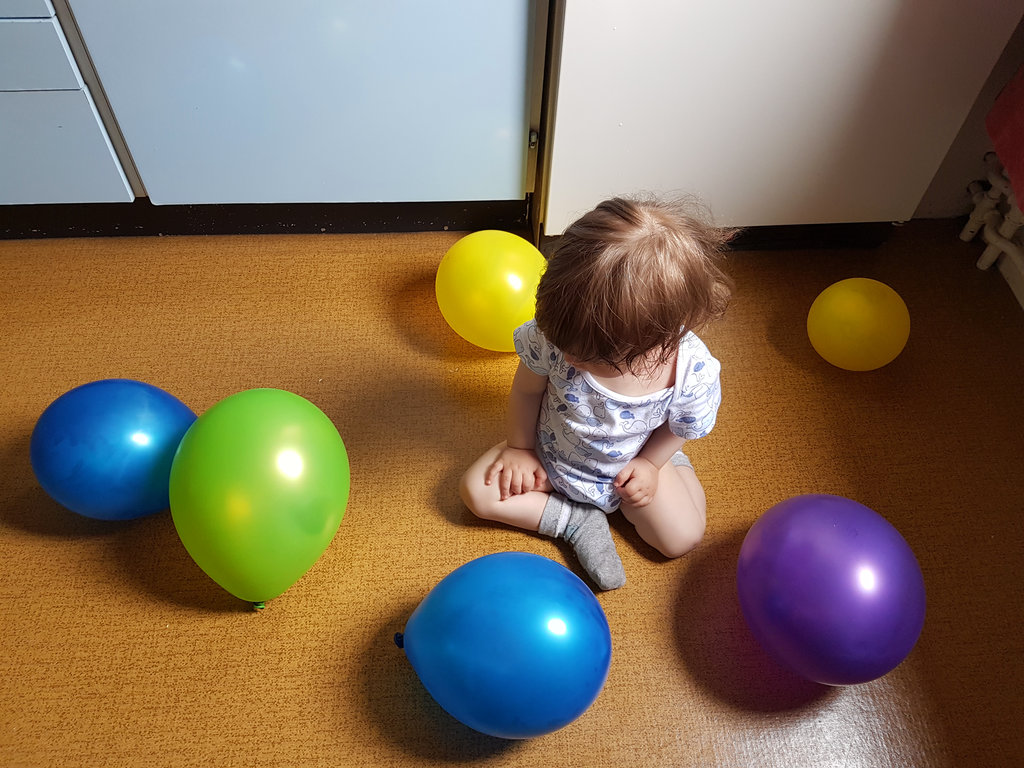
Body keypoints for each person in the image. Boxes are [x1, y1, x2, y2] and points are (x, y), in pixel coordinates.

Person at [459, 195, 734, 590]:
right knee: (476, 492)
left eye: (588, 356)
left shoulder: (692, 373)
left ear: (656, 340)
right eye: (563, 344)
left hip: (631, 463)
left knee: (681, 538)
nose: (568, 355)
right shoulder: (560, 334)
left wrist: (653, 464)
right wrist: (520, 448)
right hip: (553, 454)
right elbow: (526, 392)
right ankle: (574, 521)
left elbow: (681, 427)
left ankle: (675, 468)